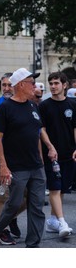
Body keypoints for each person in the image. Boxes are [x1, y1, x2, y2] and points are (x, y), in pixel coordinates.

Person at [0, 68, 47, 248]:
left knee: (37, 206)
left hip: (36, 166)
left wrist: (42, 159)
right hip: (16, 167)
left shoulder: (32, 105)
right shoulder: (5, 107)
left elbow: (35, 134)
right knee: (13, 205)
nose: (35, 86)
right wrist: (3, 166)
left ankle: (33, 245)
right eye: (32, 82)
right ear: (21, 85)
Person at [39, 71, 76, 238]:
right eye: (51, 83)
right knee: (54, 188)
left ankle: (52, 221)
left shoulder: (72, 104)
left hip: (69, 153)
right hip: (52, 155)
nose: (53, 86)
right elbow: (42, 129)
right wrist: (49, 147)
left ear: (64, 85)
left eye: (56, 83)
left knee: (61, 189)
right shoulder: (44, 106)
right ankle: (62, 222)